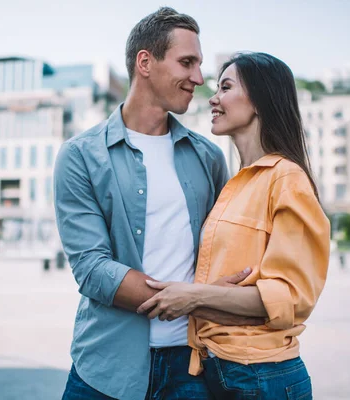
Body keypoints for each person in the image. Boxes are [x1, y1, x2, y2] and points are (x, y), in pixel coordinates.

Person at [54, 8, 261, 400]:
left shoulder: (208, 157)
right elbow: (93, 270)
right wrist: (195, 297)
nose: (199, 79)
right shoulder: (80, 155)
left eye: (200, 65)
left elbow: (224, 250)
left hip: (193, 365)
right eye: (187, 63)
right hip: (105, 367)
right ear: (145, 62)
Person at [138, 52, 331, 399]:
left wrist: (195, 296)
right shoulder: (236, 182)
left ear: (258, 100)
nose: (212, 98)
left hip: (263, 375)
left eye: (225, 87)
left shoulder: (286, 178)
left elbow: (288, 299)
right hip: (221, 370)